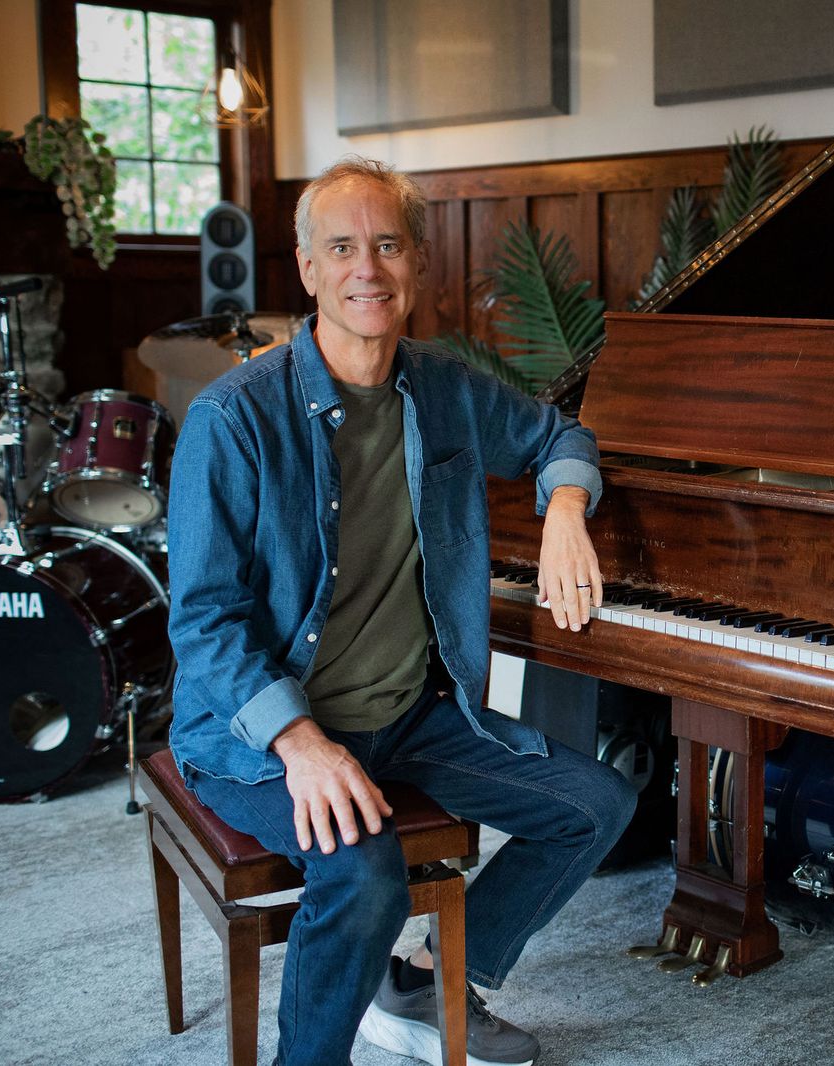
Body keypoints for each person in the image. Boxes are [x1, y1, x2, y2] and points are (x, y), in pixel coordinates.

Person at [165, 155, 635, 1066]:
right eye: (342, 248)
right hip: (258, 737)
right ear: (309, 269)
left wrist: (566, 510)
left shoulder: (446, 387)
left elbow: (559, 434)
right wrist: (301, 744)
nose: (367, 269)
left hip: (409, 716)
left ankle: (422, 982)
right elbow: (204, 622)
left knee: (596, 804)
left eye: (387, 245)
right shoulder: (233, 418)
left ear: (418, 260)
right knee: (366, 871)